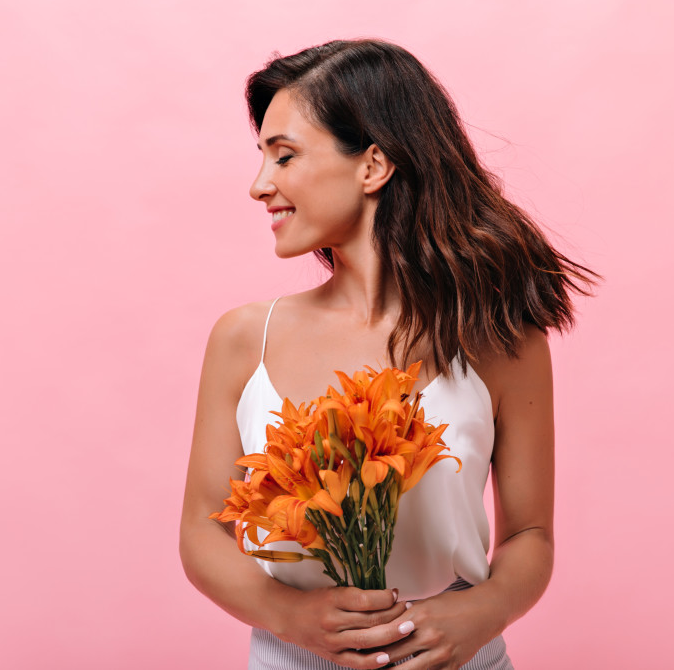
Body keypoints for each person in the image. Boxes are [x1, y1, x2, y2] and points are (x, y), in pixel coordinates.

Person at [180, 39, 597, 670]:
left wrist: (480, 614)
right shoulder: (244, 339)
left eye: (284, 157)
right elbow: (202, 534)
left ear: (373, 166)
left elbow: (529, 535)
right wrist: (294, 618)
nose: (259, 186)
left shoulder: (499, 339)